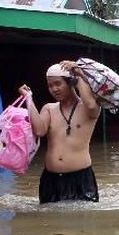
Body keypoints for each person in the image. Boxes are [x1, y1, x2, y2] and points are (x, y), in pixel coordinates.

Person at [19, 61, 102, 204]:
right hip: (50, 179)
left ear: (71, 83)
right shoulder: (49, 109)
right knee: (49, 222)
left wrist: (79, 74)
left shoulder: (89, 109)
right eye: (50, 86)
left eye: (58, 84)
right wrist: (28, 98)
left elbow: (90, 103)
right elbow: (39, 130)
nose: (54, 89)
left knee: (82, 222)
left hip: (80, 178)